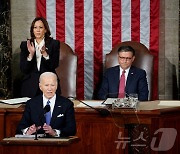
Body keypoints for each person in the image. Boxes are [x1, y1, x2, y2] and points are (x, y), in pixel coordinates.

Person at [16, 72, 76, 137]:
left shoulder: (66, 104)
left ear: (56, 86)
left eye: (52, 85)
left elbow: (71, 129)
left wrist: (55, 132)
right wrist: (28, 130)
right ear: (40, 86)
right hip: (37, 143)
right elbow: (20, 127)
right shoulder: (31, 104)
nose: (49, 89)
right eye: (46, 85)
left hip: (58, 144)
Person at [20, 17, 60, 98]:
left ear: (45, 30)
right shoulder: (26, 45)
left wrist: (45, 55)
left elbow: (54, 65)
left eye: (41, 27)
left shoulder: (54, 44)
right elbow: (23, 69)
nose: (38, 30)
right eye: (35, 27)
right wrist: (30, 55)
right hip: (30, 84)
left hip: (48, 84)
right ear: (32, 30)